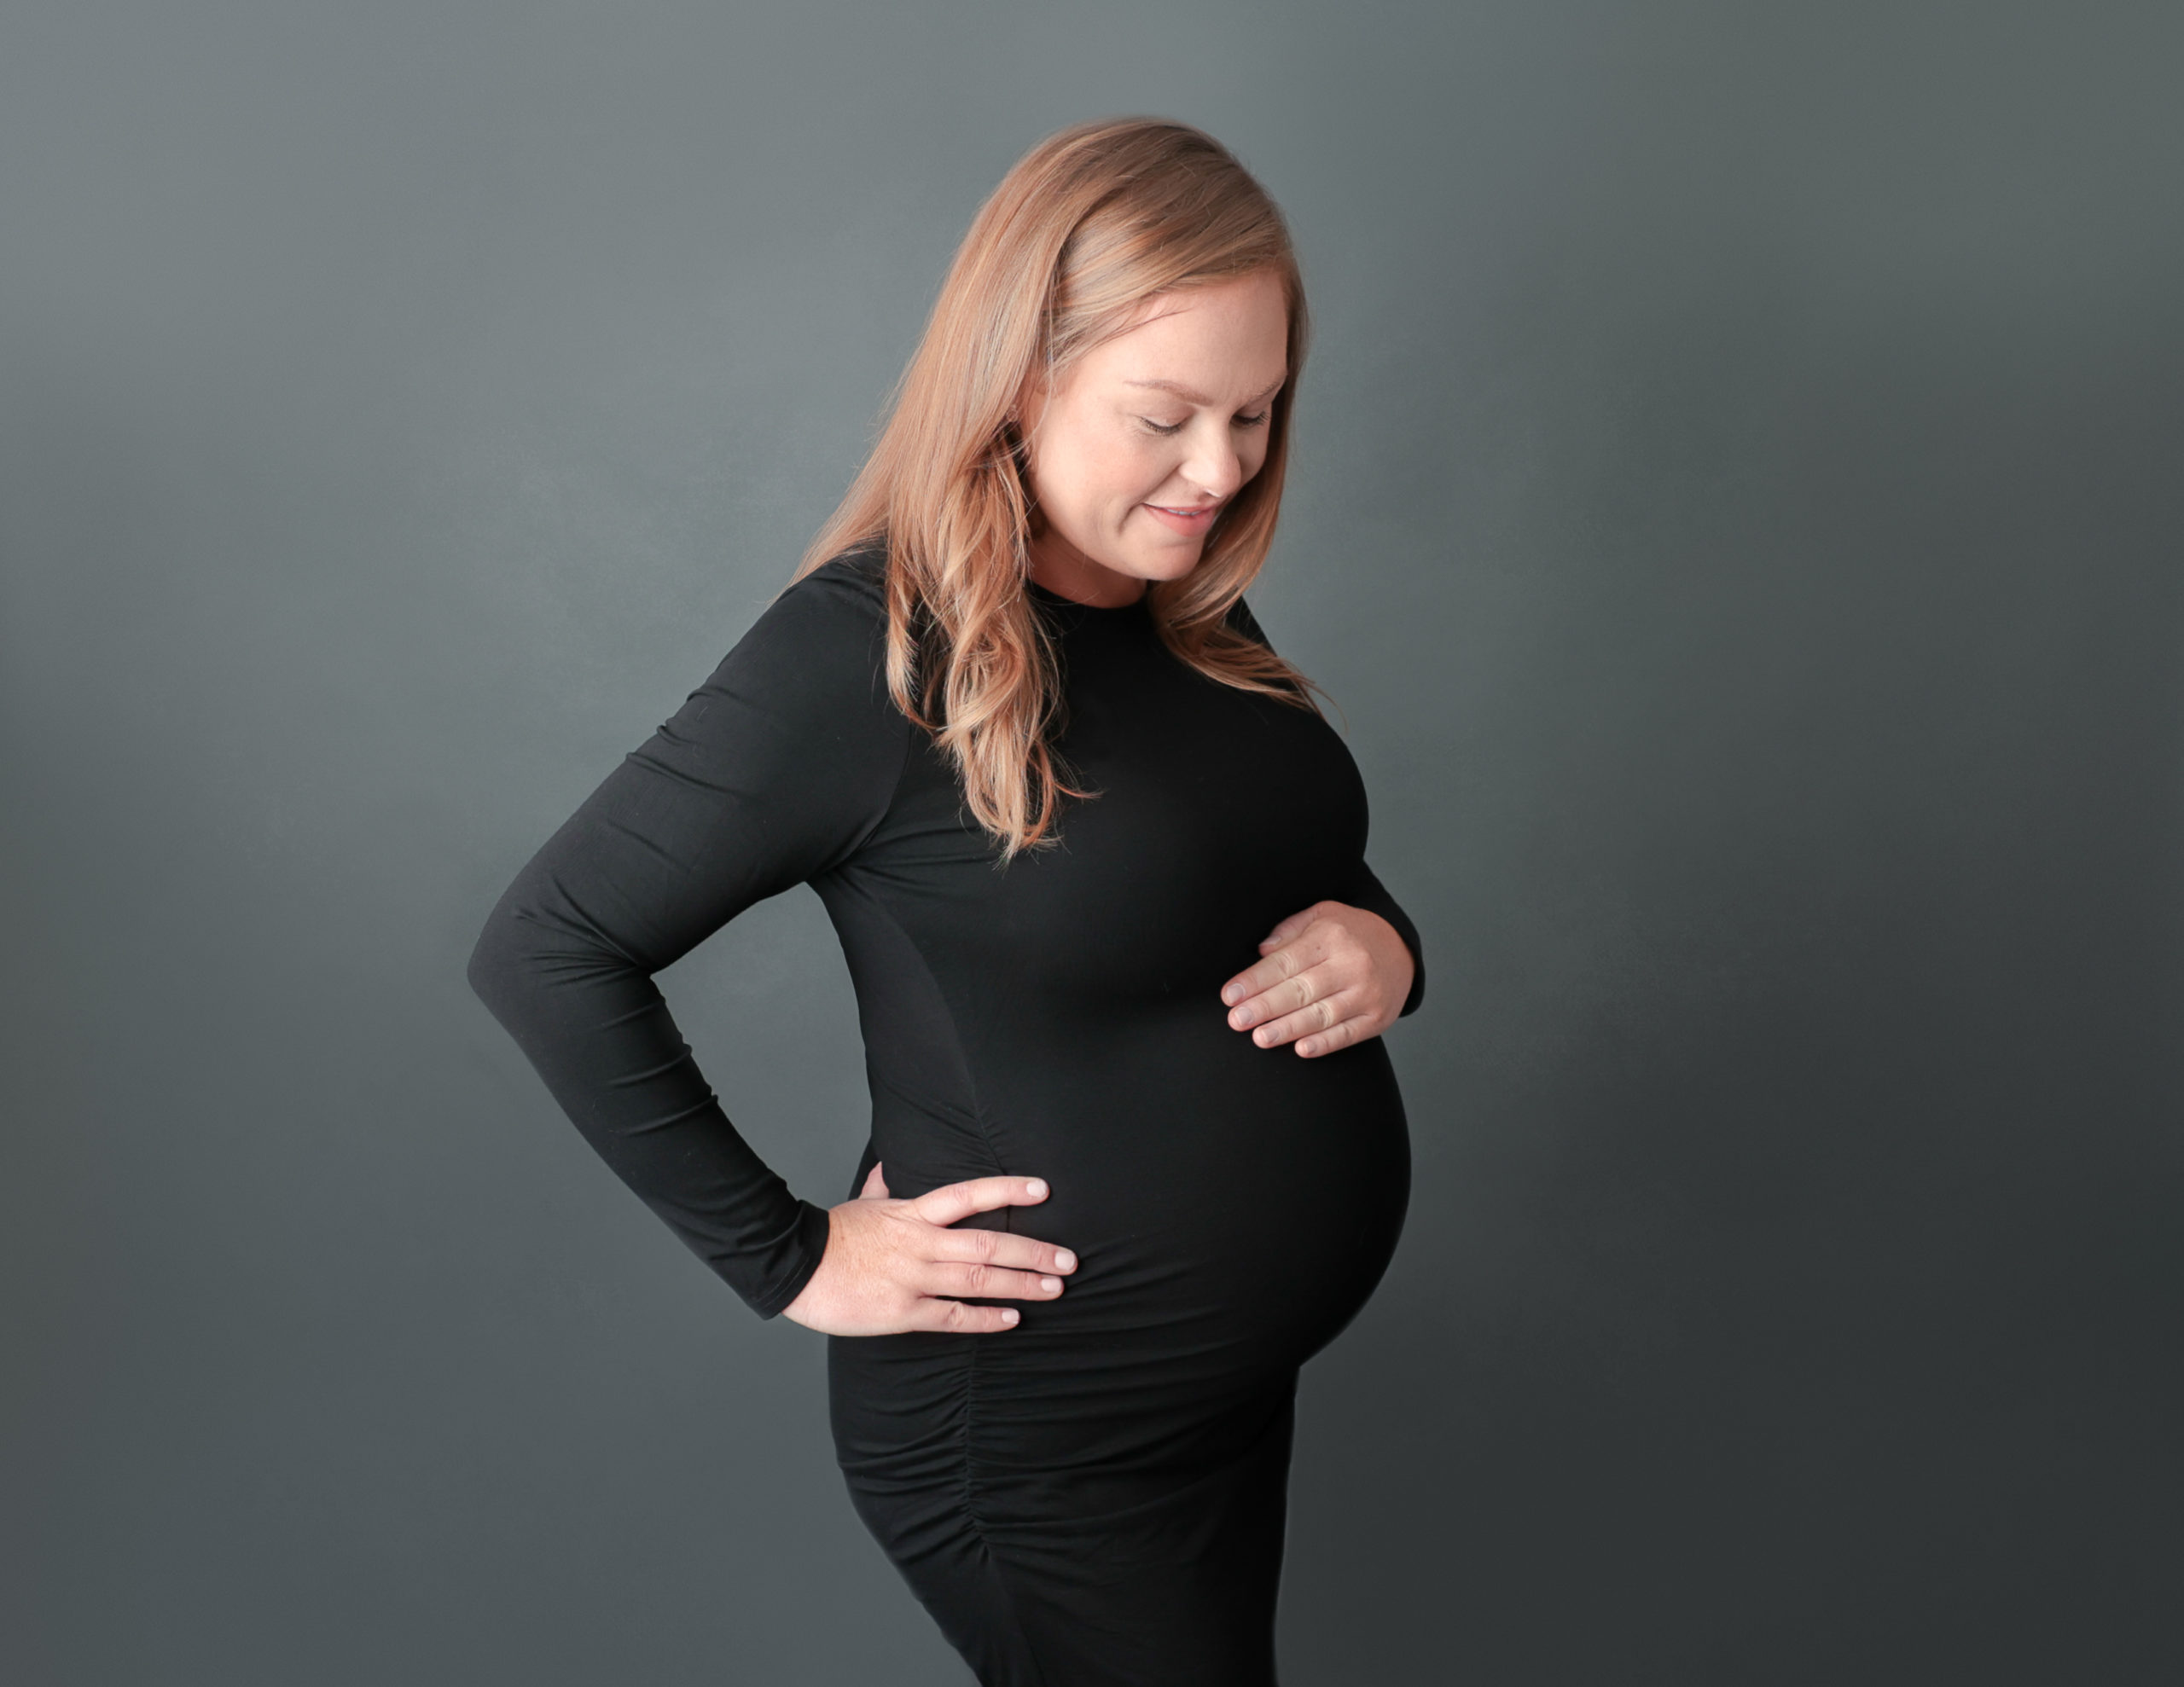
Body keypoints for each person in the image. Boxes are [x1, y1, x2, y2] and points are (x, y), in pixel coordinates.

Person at [466, 114, 1426, 1687]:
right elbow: (549, 946)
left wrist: (1387, 940)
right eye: (1165, 416)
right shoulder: (870, 655)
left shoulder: (1170, 597)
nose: (1221, 469)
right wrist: (788, 1257)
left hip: (1207, 1400)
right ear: (1020, 378)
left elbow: (1242, 855)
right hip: (1038, 1443)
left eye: (1255, 412)